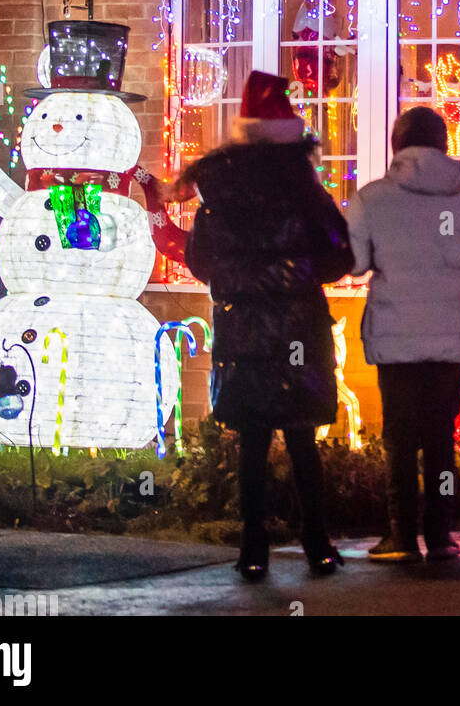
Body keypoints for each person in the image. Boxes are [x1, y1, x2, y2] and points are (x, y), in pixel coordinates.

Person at [166, 70, 355, 581]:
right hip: (298, 330)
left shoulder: (221, 190)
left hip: (243, 330)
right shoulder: (305, 189)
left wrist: (244, 278)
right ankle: (316, 543)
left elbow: (201, 260)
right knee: (301, 439)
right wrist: (294, 275)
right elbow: (341, 256)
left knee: (252, 440)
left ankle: (253, 548)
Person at [347, 106, 460, 562]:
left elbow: (353, 262)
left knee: (400, 439)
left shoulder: (372, 200)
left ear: (397, 145)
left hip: (396, 341)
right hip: (448, 342)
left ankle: (401, 535)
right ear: (443, 144)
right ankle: (441, 535)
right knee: (440, 440)